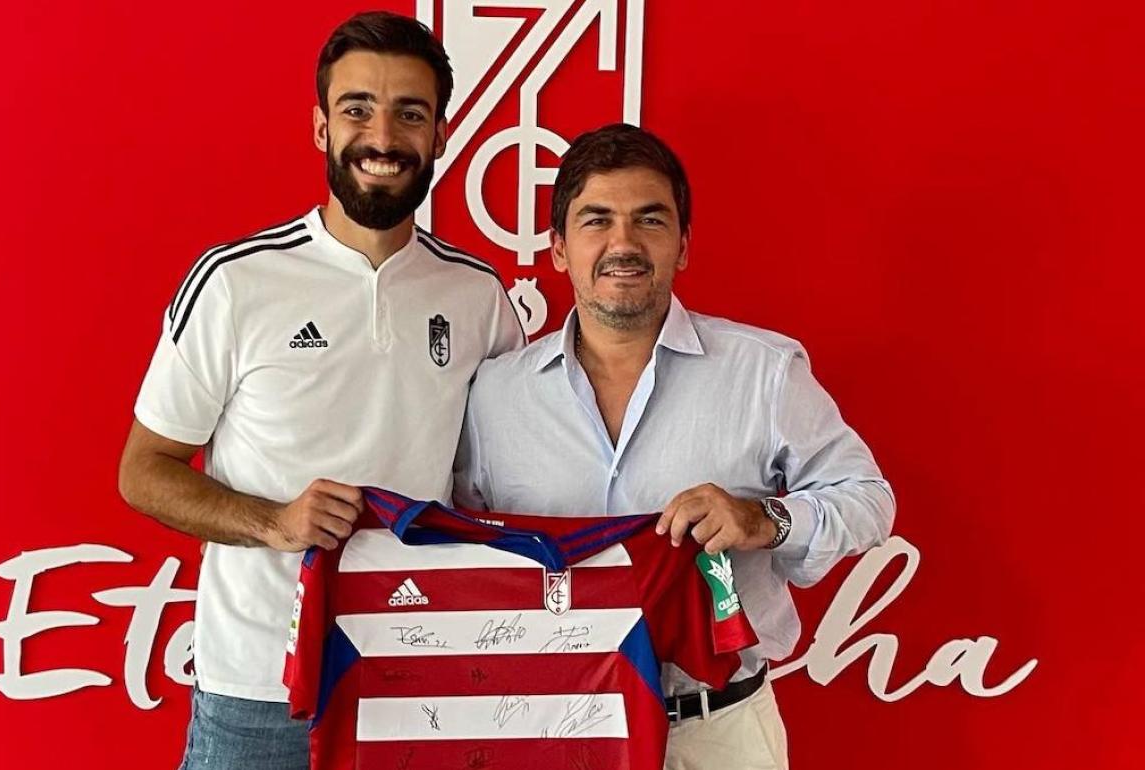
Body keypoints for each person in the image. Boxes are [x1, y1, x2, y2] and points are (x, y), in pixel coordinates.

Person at [117, 12, 524, 769]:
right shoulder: (235, 282)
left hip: (419, 678)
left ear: (440, 135)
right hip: (257, 691)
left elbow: (503, 483)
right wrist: (274, 522)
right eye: (357, 109)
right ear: (320, 127)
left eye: (410, 113)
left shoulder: (478, 297)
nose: (383, 137)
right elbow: (143, 471)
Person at [453, 123, 895, 770]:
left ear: (683, 246)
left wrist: (763, 520)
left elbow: (869, 500)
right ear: (558, 249)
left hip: (718, 733)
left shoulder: (764, 371)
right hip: (545, 728)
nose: (623, 243)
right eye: (597, 220)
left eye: (650, 220)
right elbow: (462, 551)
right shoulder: (495, 396)